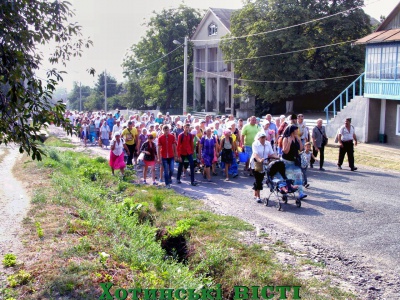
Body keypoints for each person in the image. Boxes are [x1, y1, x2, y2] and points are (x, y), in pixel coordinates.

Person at [281, 125, 307, 200]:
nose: (297, 131)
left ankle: (301, 193)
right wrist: (289, 143)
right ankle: (285, 191)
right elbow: (285, 151)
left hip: (294, 161)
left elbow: (301, 149)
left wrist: (299, 141)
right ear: (292, 130)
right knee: (289, 178)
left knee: (298, 177)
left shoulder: (296, 138)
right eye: (296, 130)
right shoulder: (286, 138)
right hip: (286, 161)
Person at [251, 132, 277, 203]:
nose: (263, 139)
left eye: (264, 137)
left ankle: (255, 192)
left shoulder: (268, 143)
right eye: (262, 137)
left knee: (261, 178)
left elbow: (271, 153)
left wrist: (276, 157)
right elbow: (255, 153)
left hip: (265, 163)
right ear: (258, 138)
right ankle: (258, 197)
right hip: (256, 163)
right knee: (258, 179)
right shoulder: (255, 144)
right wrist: (259, 159)